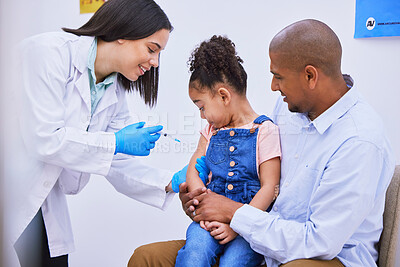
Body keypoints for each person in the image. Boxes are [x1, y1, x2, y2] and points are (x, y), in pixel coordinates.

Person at [128, 19, 396, 267]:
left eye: (278, 77)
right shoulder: (289, 108)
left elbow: (319, 242)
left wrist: (233, 214)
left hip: (323, 257)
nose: (272, 87)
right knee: (147, 258)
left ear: (310, 76)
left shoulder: (359, 141)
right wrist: (202, 204)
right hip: (261, 238)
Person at [11, 0, 203, 266]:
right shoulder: (48, 53)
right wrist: (116, 141)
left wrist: (170, 181)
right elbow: (44, 139)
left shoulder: (114, 89)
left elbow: (115, 161)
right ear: (122, 34)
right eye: (151, 49)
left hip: (40, 196)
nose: (155, 62)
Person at [174, 36, 281, 267]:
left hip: (249, 225)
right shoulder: (210, 131)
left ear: (223, 96)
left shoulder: (266, 131)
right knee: (194, 254)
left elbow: (270, 187)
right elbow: (195, 165)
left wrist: (238, 225)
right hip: (209, 219)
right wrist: (200, 201)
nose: (202, 115)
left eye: (202, 107)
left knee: (235, 262)